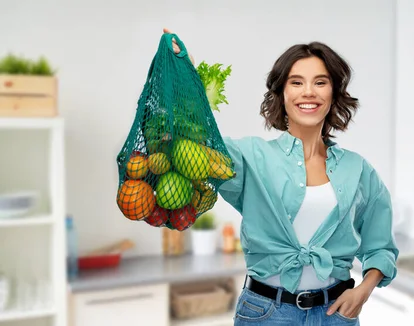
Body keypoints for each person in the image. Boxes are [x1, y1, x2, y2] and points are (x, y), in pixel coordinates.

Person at [163, 28, 399, 326]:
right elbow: (199, 146)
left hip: (335, 315)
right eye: (296, 82)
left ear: (333, 93)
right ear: (282, 94)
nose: (308, 92)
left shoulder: (358, 170)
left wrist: (364, 290)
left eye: (320, 82)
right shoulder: (251, 156)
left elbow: (381, 247)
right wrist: (185, 75)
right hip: (266, 314)